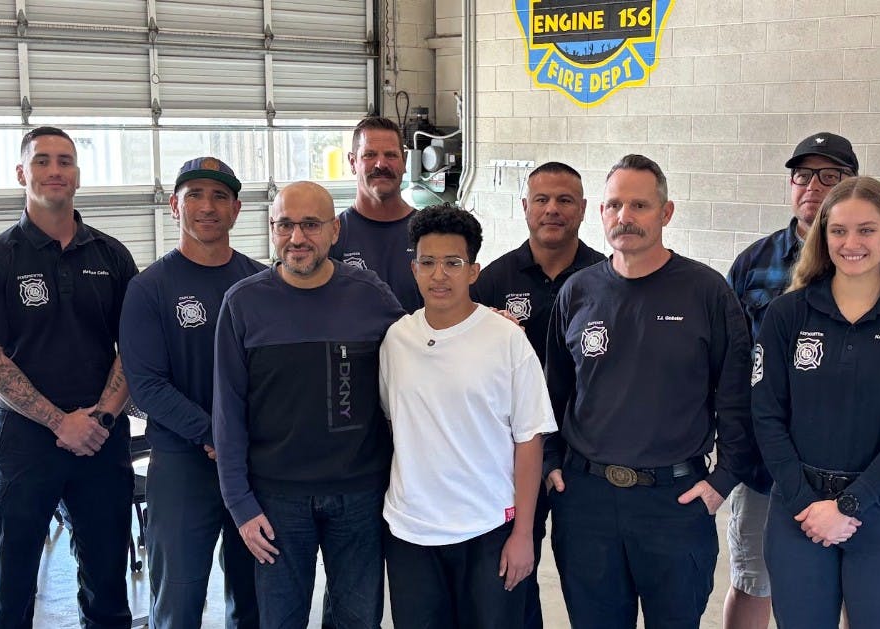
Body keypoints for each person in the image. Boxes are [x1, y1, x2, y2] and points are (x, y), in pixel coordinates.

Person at [544, 154, 756, 629]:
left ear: (666, 212)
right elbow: (553, 392)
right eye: (614, 205)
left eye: (639, 205)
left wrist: (723, 481)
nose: (625, 217)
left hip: (675, 502)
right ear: (600, 213)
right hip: (587, 502)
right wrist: (551, 462)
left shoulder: (707, 292)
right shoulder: (577, 293)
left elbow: (737, 398)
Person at [752, 176, 880, 628]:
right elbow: (767, 417)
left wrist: (848, 506)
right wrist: (807, 504)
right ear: (823, 237)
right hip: (798, 511)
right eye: (838, 230)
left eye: (866, 229)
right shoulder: (788, 315)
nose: (851, 242)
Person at [0, 126, 136, 628]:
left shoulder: (112, 256)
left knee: (107, 589)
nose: (55, 170)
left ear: (77, 175)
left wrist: (98, 417)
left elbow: (135, 348)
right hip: (24, 444)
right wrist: (60, 422)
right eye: (42, 161)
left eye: (65, 161)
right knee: (10, 593)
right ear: (22, 173)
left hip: (102, 439)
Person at [212, 180, 404, 629]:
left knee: (358, 619)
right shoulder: (243, 304)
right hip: (276, 499)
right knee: (280, 620)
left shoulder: (371, 296)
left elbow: (420, 355)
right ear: (272, 228)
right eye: (285, 225)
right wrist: (240, 504)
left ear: (335, 231)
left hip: (359, 494)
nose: (296, 237)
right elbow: (227, 413)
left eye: (311, 225)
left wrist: (477, 318)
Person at [379, 204, 557, 629]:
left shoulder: (507, 339)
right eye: (428, 262)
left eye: (453, 263)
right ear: (414, 268)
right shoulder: (396, 339)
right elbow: (393, 421)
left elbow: (529, 440)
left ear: (473, 271)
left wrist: (522, 535)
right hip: (411, 531)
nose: (439, 275)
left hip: (489, 527)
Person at [119, 157, 263, 628]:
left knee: (254, 598)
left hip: (256, 467)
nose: (207, 206)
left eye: (220, 196)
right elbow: (145, 385)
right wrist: (214, 434)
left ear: (237, 209)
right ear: (173, 205)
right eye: (195, 195)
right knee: (178, 604)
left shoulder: (262, 284)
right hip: (183, 465)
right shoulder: (149, 288)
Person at [723, 132, 859, 629]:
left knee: (851, 586)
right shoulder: (754, 264)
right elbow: (729, 366)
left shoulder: (871, 263)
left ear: (853, 185)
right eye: (803, 175)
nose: (813, 186)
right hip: (764, 468)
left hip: (853, 470)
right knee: (753, 580)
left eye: (831, 176)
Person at [470, 161, 604, 627]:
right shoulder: (493, 281)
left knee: (586, 577)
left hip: (579, 459)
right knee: (512, 575)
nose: (553, 210)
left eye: (565, 200)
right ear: (525, 207)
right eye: (542, 200)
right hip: (509, 457)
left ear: (584, 210)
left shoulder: (607, 278)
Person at [329, 115, 423, 312]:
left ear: (404, 161)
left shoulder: (430, 232)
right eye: (369, 155)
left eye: (391, 155)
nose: (381, 164)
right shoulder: (332, 236)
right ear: (353, 162)